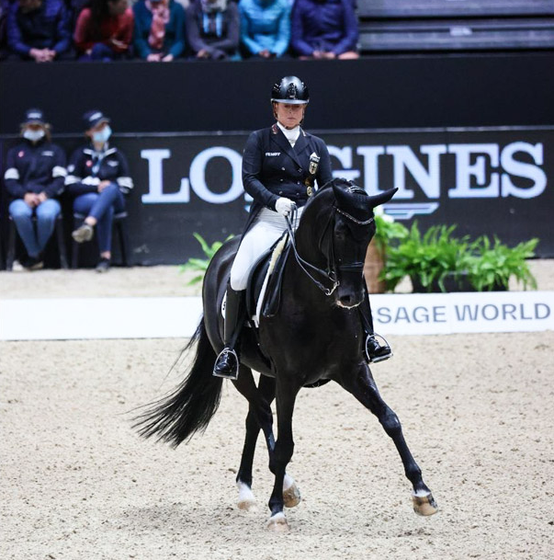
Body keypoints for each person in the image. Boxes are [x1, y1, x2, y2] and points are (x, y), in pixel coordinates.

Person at [213, 75, 391, 380]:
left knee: (348, 269)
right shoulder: (260, 139)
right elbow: (249, 180)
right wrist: (273, 200)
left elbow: (328, 187)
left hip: (305, 223)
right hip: (269, 219)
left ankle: (370, 339)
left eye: (297, 106)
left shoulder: (316, 145)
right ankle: (230, 349)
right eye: (286, 106)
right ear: (275, 108)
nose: (291, 111)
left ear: (304, 109)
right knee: (240, 271)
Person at [65, 110, 133, 272]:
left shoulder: (116, 155)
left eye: (104, 126)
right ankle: (105, 258)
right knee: (105, 207)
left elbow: (128, 185)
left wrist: (107, 186)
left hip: (116, 199)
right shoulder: (80, 154)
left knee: (110, 189)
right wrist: (95, 187)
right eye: (97, 128)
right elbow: (70, 185)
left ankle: (88, 224)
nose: (102, 130)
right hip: (86, 200)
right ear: (88, 132)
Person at [3, 108, 67, 271]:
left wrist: (46, 194)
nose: (34, 130)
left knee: (46, 215)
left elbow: (60, 180)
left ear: (45, 128)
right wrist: (24, 195)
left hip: (48, 198)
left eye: (37, 127)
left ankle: (32, 257)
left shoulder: (55, 151)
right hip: (21, 198)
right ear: (24, 128)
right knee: (19, 213)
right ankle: (36, 254)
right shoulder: (15, 152)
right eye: (31, 127)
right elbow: (10, 181)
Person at [290, 0, 359, 60]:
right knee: (300, 60)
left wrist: (335, 52)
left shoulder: (343, 2)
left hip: (338, 50)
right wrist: (311, 52)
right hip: (310, 52)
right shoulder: (301, 3)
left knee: (350, 58)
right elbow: (296, 39)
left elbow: (351, 34)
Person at [6, 0, 72, 61]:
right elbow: (14, 41)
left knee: (69, 57)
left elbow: (64, 37)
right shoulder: (15, 10)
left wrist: (53, 52)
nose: (20, 4)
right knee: (11, 60)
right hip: (27, 51)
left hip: (52, 49)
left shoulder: (58, 6)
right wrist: (33, 52)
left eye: (25, 1)